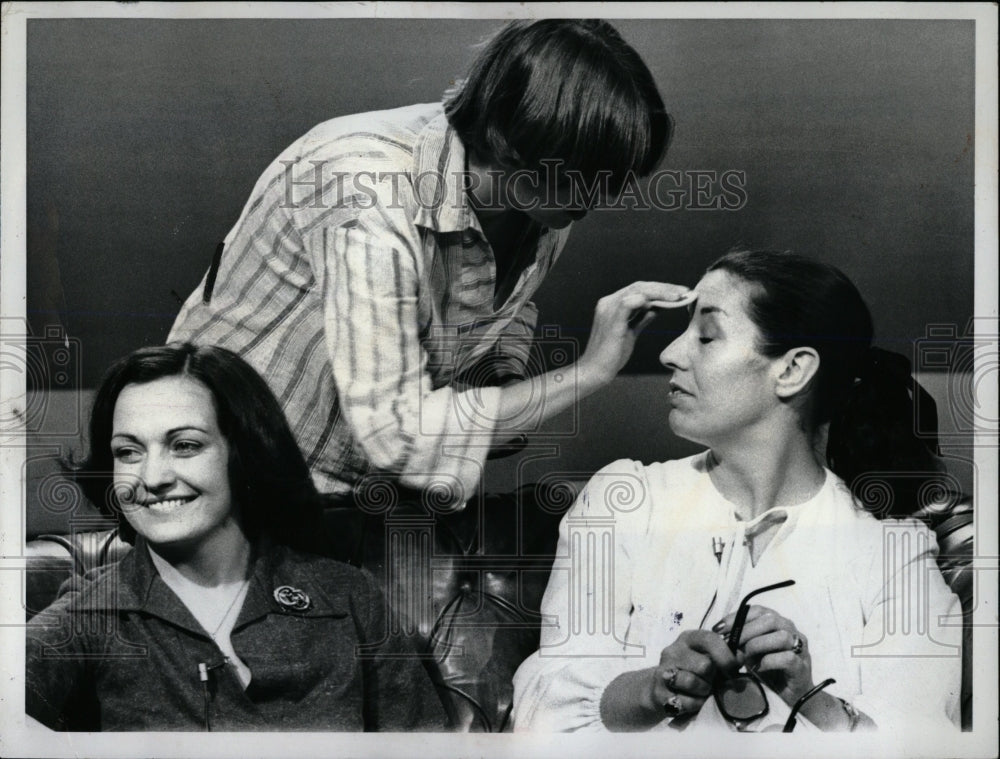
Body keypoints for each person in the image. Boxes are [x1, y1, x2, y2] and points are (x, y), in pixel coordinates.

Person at [167, 19, 684, 511]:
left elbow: (498, 319)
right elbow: (398, 436)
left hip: (359, 498)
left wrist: (505, 390)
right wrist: (589, 371)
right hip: (231, 486)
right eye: (588, 173)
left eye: (616, 178)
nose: (605, 196)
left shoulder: (548, 208)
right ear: (512, 143)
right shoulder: (364, 185)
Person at [511, 250, 962, 733]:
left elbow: (922, 741)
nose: (670, 354)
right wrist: (650, 689)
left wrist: (808, 697)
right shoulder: (625, 501)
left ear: (791, 371)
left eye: (706, 336)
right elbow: (543, 713)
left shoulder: (891, 554)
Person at [25, 343, 448, 731]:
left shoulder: (349, 598)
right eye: (128, 452)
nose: (152, 478)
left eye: (185, 445)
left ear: (242, 453)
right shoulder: (91, 616)